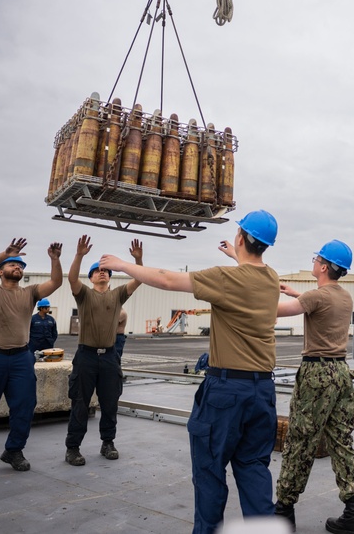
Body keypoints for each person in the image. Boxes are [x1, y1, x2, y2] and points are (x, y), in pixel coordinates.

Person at [99, 209, 281, 534]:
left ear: (241, 238)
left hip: (226, 393)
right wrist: (236, 255)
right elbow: (250, 270)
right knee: (254, 467)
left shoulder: (225, 279)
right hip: (262, 392)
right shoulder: (270, 279)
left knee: (210, 471)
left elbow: (167, 279)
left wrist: (123, 265)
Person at [273, 240, 354, 534]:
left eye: (317, 259)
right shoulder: (344, 297)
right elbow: (320, 303)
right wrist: (296, 292)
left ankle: (283, 512)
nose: (313, 261)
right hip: (340, 373)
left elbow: (279, 311)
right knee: (341, 440)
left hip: (316, 374)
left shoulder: (316, 296)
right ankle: (353, 514)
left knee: (300, 441)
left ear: (324, 267)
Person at [0, 238, 63, 479]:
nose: (17, 267)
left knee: (24, 407)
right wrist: (5, 253)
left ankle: (14, 451)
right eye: (12, 264)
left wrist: (54, 260)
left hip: (21, 357)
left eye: (20, 265)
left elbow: (56, 282)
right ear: (0, 271)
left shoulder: (30, 293)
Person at [64, 236, 144, 466]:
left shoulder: (117, 294)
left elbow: (139, 279)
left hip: (109, 356)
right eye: (97, 271)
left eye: (106, 271)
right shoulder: (84, 295)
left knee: (110, 403)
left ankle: (108, 442)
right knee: (80, 403)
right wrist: (79, 255)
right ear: (90, 278)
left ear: (110, 276)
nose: (102, 273)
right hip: (86, 356)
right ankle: (73, 448)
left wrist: (138, 260)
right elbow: (71, 279)